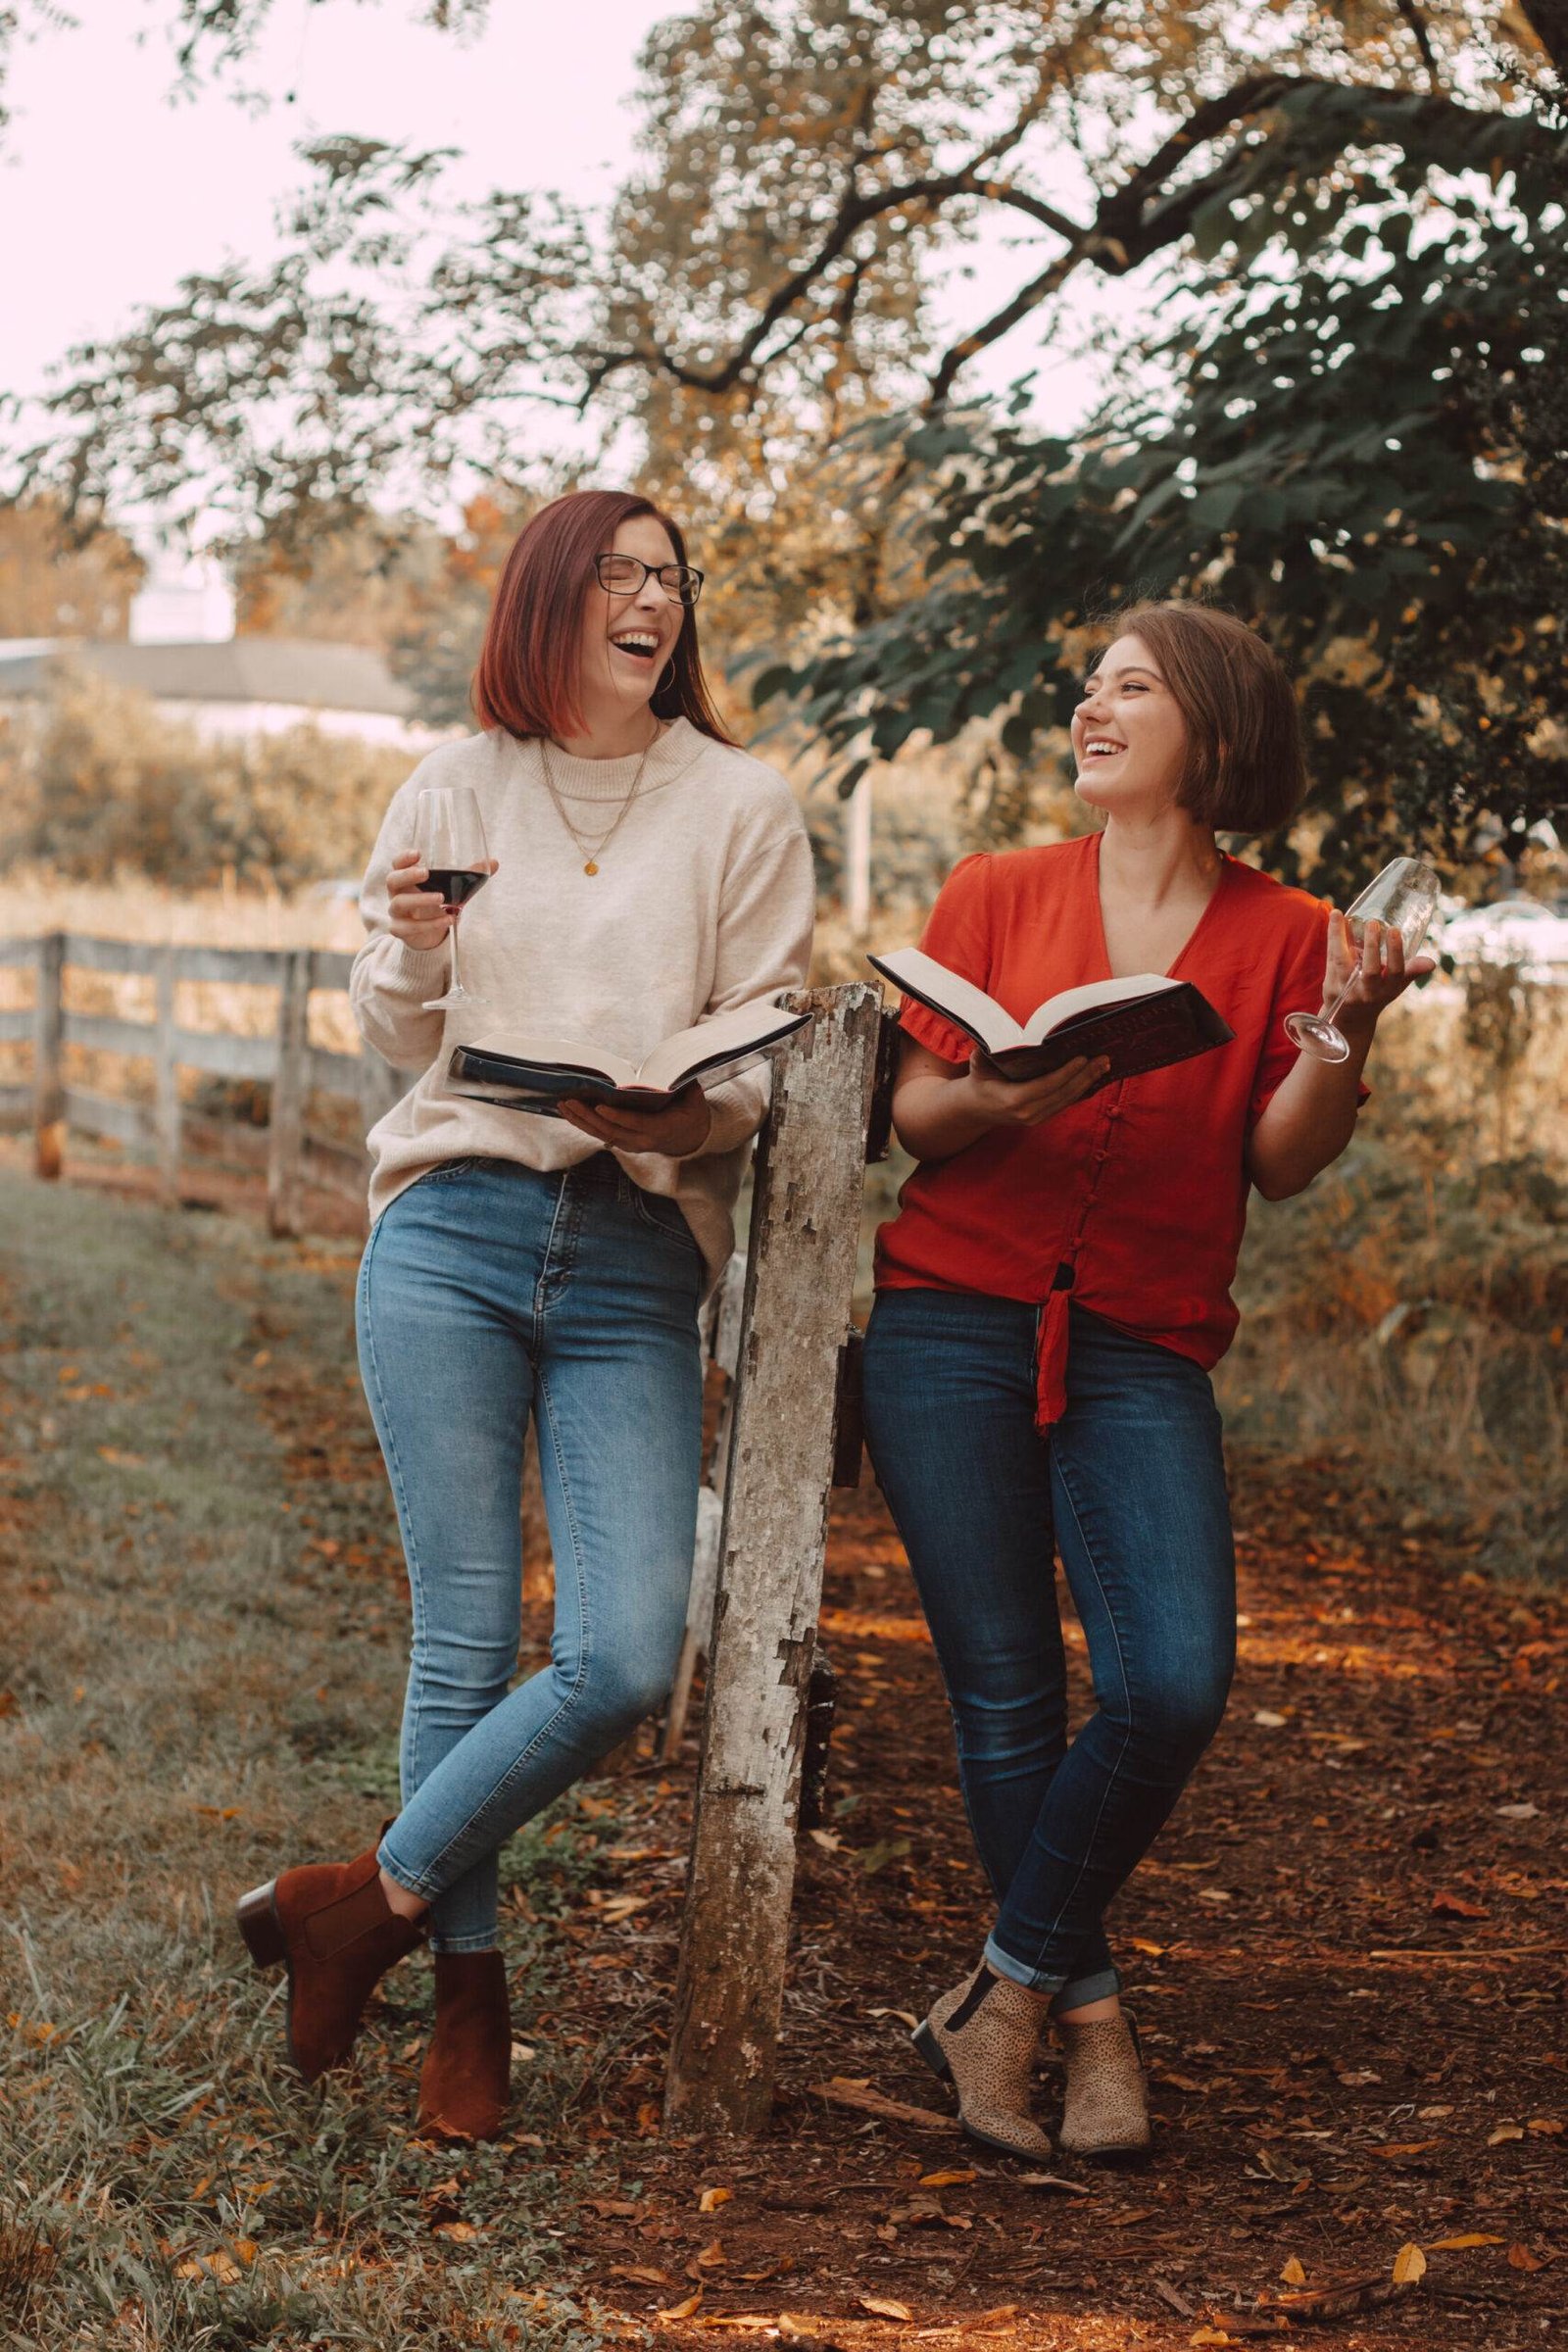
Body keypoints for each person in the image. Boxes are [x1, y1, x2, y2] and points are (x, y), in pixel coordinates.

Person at [235, 488, 814, 2138]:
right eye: (618, 574)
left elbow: (759, 1060)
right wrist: (415, 947)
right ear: (549, 597)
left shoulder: (742, 803)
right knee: (469, 1630)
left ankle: (361, 1903)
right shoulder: (453, 781)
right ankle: (466, 2002)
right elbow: (388, 1027)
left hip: (635, 1250)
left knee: (628, 1651)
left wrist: (678, 1119)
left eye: (672, 579)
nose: (651, 600)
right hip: (455, 1225)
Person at [861, 602, 1431, 2162]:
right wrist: (1003, 1094)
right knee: (1004, 1697)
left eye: (1133, 686)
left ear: (1217, 734)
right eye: (1089, 684)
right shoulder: (996, 888)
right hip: (950, 1319)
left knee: (1174, 1679)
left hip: (1144, 1342)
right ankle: (1075, 2012)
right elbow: (916, 1113)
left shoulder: (1287, 932)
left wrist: (1348, 1036)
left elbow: (1284, 1165)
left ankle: (1000, 1989)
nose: (1093, 706)